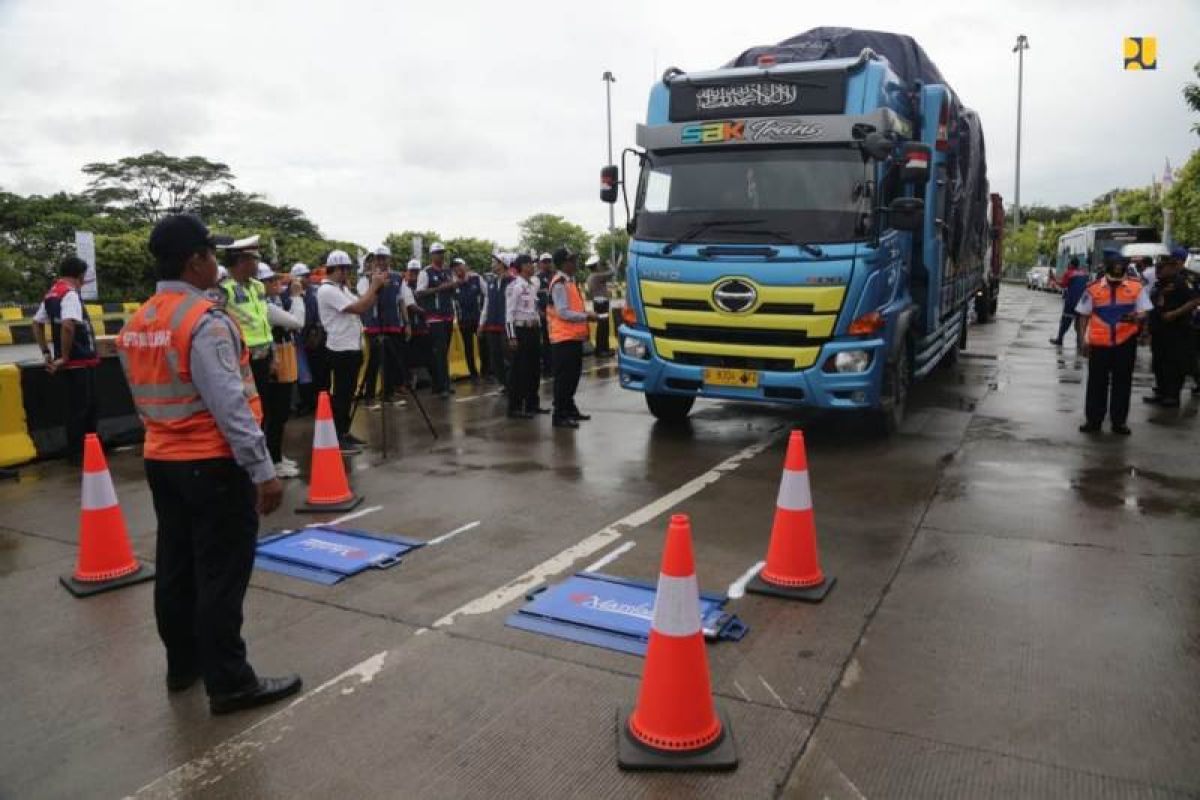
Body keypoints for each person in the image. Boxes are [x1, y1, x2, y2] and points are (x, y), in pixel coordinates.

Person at [116, 213, 299, 715]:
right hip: (212, 464)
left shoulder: (139, 321)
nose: (216, 262)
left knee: (176, 568)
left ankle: (184, 665)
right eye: (213, 254)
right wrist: (262, 470)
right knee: (220, 575)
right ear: (195, 260)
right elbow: (231, 404)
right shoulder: (203, 321)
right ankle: (231, 681)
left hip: (162, 459)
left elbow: (141, 397)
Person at [1076, 250, 1153, 435]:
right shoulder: (1093, 288)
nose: (1118, 269)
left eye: (1121, 266)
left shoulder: (1136, 287)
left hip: (1125, 343)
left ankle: (1119, 422)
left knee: (1122, 383)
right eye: (1115, 265)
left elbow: (1145, 310)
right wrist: (1082, 341)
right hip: (1099, 345)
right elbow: (1084, 316)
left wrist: (1136, 317)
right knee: (1096, 383)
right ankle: (1094, 421)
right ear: (1107, 266)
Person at [32, 255, 100, 462]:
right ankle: (80, 453)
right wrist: (65, 356)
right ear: (79, 276)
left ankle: (82, 450)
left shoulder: (53, 293)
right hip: (79, 361)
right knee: (84, 409)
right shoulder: (69, 294)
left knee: (77, 408)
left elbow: (36, 323)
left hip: (74, 362)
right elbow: (68, 325)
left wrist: (47, 354)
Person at [317, 250, 384, 452]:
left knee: (348, 393)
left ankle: (345, 432)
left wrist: (376, 289)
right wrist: (374, 286)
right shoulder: (328, 290)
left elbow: (366, 302)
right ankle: (338, 437)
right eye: (344, 269)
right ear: (334, 269)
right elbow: (358, 307)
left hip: (352, 346)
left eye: (348, 268)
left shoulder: (341, 288)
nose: (347, 272)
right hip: (340, 348)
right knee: (342, 394)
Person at [260, 263, 306, 477]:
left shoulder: (274, 301)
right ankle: (274, 460)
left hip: (284, 354)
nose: (276, 283)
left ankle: (277, 455)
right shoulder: (266, 306)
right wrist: (297, 297)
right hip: (276, 358)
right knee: (276, 413)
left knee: (281, 412)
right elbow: (297, 322)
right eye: (270, 281)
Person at [217, 237, 274, 409]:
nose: (257, 264)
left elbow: (265, 320)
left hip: (264, 355)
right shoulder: (223, 289)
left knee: (264, 403)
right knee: (247, 405)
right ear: (241, 261)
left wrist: (273, 354)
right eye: (254, 259)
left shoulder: (258, 286)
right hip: (242, 359)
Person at [1143, 247, 1200, 408]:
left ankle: (1172, 396)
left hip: (1177, 331)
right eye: (1158, 266)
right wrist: (1148, 329)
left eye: (1163, 266)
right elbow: (1153, 305)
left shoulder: (1182, 281)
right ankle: (1161, 392)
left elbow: (1195, 300)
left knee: (1174, 365)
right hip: (1160, 330)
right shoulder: (1160, 283)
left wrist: (1175, 313)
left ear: (1173, 266)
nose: (1159, 269)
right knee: (1159, 363)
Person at [547, 248, 598, 428]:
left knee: (573, 377)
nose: (575, 263)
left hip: (573, 336)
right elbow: (563, 312)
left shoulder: (569, 281)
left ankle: (569, 409)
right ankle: (559, 414)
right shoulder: (559, 283)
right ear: (563, 264)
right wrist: (586, 316)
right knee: (564, 379)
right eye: (571, 260)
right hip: (563, 338)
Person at [357, 246, 411, 410]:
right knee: (374, 361)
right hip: (374, 325)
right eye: (378, 258)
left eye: (384, 258)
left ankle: (388, 395)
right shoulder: (365, 279)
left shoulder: (397, 278)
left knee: (392, 361)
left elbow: (401, 301)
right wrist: (377, 284)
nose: (381, 261)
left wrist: (407, 323)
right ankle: (369, 397)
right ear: (374, 261)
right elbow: (364, 300)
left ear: (389, 259)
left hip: (393, 324)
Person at [415, 242, 460, 397]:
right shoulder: (425, 272)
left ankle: (441, 384)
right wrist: (439, 289)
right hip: (434, 317)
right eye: (438, 253)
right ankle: (442, 386)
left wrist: (455, 286)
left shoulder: (448, 271)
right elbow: (419, 293)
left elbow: (453, 291)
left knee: (443, 352)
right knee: (439, 352)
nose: (441, 255)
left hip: (448, 315)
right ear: (432, 255)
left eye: (442, 252)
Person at [506, 255, 542, 419]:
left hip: (533, 330)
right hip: (521, 331)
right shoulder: (515, 286)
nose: (532, 266)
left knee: (534, 369)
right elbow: (509, 314)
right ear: (521, 266)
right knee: (519, 371)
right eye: (529, 264)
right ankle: (515, 407)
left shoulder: (533, 284)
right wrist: (511, 336)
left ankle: (532, 404)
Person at [480, 254, 512, 386]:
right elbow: (486, 305)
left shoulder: (512, 281)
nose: (492, 264)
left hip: (506, 326)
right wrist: (481, 323)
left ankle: (513, 384)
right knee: (495, 359)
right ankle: (504, 384)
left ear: (502, 264)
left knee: (509, 357)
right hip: (491, 326)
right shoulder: (491, 283)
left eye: (495, 262)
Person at [453, 257, 485, 381]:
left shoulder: (476, 278)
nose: (458, 268)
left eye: (460, 265)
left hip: (478, 319)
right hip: (463, 320)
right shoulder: (453, 283)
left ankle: (486, 371)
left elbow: (487, 293)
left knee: (483, 345)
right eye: (455, 267)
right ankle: (473, 373)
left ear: (465, 266)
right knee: (468, 347)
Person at [404, 260, 432, 389]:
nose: (414, 274)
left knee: (424, 355)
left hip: (423, 327)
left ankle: (423, 380)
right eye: (412, 271)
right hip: (411, 327)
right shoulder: (404, 286)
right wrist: (428, 313)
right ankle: (412, 381)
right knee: (411, 357)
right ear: (407, 272)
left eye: (417, 271)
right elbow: (411, 306)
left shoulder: (423, 286)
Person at [1049, 256, 1088, 347]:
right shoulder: (1084, 274)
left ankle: (1060, 339)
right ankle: (1080, 343)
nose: (1068, 264)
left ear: (1071, 264)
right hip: (1082, 303)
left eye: (1069, 263)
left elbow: (1063, 285)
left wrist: (1053, 279)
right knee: (1079, 324)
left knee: (1065, 321)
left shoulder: (1069, 273)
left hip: (1071, 302)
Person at [585, 255, 615, 357]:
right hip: (602, 303)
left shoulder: (591, 277)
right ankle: (602, 350)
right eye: (598, 265)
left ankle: (603, 349)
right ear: (596, 266)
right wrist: (608, 263)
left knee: (602, 326)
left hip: (598, 303)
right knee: (603, 327)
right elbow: (612, 272)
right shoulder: (597, 276)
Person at [534, 253, 555, 373]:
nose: (547, 264)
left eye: (549, 261)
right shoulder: (536, 278)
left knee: (554, 340)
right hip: (543, 314)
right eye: (545, 262)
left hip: (555, 315)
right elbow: (533, 297)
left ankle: (554, 365)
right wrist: (538, 311)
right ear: (540, 263)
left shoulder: (555, 276)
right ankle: (548, 367)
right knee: (546, 341)